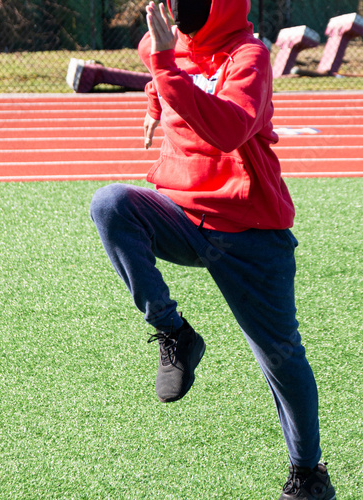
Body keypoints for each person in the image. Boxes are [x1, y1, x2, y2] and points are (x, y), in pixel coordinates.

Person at [90, 1, 336, 498]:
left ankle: (307, 474)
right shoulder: (163, 44)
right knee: (111, 204)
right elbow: (155, 70)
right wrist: (154, 102)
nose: (176, 8)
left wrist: (164, 70)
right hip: (182, 217)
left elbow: (228, 129)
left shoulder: (249, 56)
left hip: (251, 231)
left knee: (281, 358)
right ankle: (174, 332)